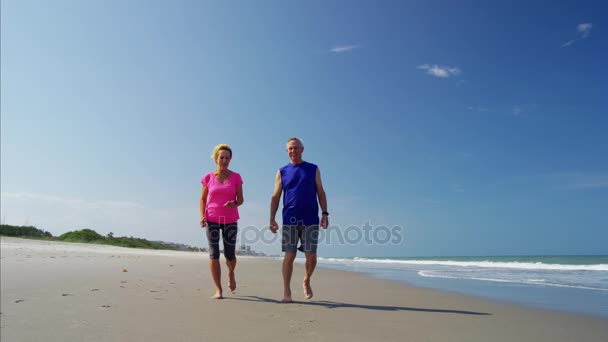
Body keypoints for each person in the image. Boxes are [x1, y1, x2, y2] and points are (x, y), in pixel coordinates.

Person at [270, 137, 329, 303]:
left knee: (311, 256)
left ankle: (307, 279)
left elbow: (321, 192)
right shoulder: (282, 171)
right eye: (290, 148)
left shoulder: (313, 169)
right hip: (289, 218)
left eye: (296, 148)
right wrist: (272, 218)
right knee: (290, 255)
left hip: (310, 218)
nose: (293, 151)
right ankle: (287, 292)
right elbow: (275, 196)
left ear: (302, 149)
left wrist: (325, 214)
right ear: (287, 151)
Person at [200, 144, 244, 299]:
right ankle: (218, 289)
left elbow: (241, 199)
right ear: (216, 159)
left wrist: (234, 203)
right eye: (222, 157)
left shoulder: (236, 177)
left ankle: (231, 273)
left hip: (230, 219)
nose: (224, 160)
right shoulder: (208, 177)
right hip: (211, 218)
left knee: (230, 255)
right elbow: (203, 199)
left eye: (227, 158)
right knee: (214, 254)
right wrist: (202, 216)